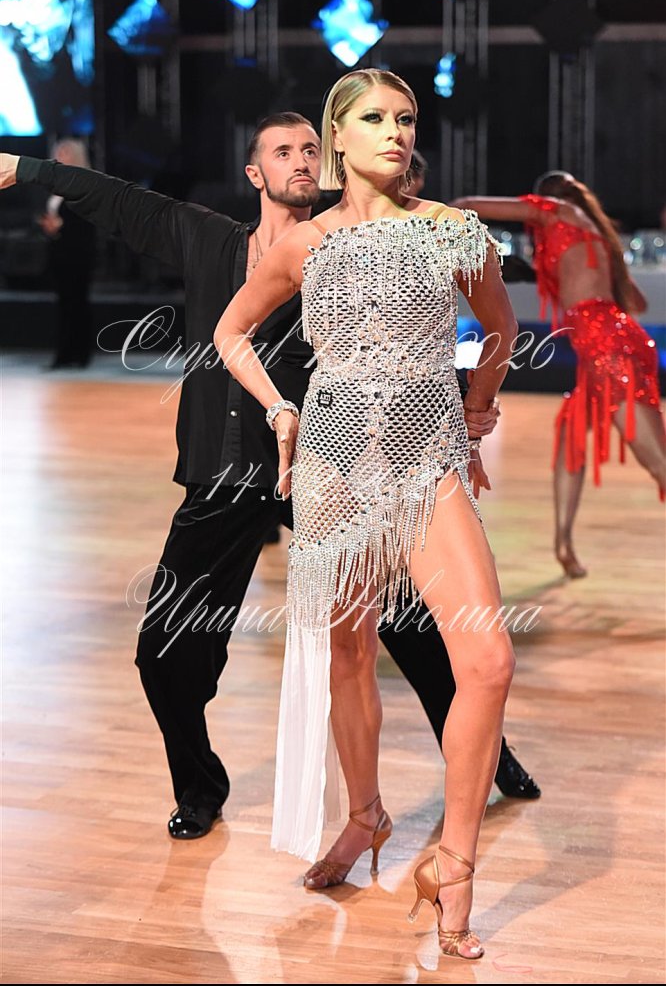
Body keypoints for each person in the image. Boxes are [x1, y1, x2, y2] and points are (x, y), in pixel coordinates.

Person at [0, 115, 538, 848]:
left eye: (310, 149)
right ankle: (199, 785)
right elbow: (116, 199)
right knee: (165, 651)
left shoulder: (340, 247)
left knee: (414, 628)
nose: (300, 161)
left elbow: (403, 347)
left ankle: (489, 754)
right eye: (283, 152)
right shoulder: (206, 238)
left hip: (327, 472)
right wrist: (29, 169)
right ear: (255, 173)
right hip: (222, 478)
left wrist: (468, 404)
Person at [214, 69, 519, 960]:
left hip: (427, 467)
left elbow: (499, 329)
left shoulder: (454, 231)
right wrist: (280, 407)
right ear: (336, 138)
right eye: (375, 119)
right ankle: (365, 814)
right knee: (348, 654)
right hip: (336, 468)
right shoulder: (304, 244)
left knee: (488, 661)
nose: (396, 132)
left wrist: (474, 410)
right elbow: (231, 332)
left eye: (406, 118)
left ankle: (453, 864)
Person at [454, 172, 666, 578]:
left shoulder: (559, 212)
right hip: (608, 345)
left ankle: (564, 543)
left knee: (656, 461)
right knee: (571, 440)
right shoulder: (595, 235)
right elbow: (635, 302)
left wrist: (435, 216)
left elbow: (467, 205)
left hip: (608, 350)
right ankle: (563, 546)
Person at [39, 138, 96, 369]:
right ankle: (64, 353)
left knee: (78, 302)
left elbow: (86, 221)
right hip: (59, 253)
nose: (60, 156)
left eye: (65, 153)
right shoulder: (55, 187)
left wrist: (62, 225)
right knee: (64, 303)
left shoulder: (85, 184)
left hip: (78, 254)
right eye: (58, 152)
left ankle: (80, 353)